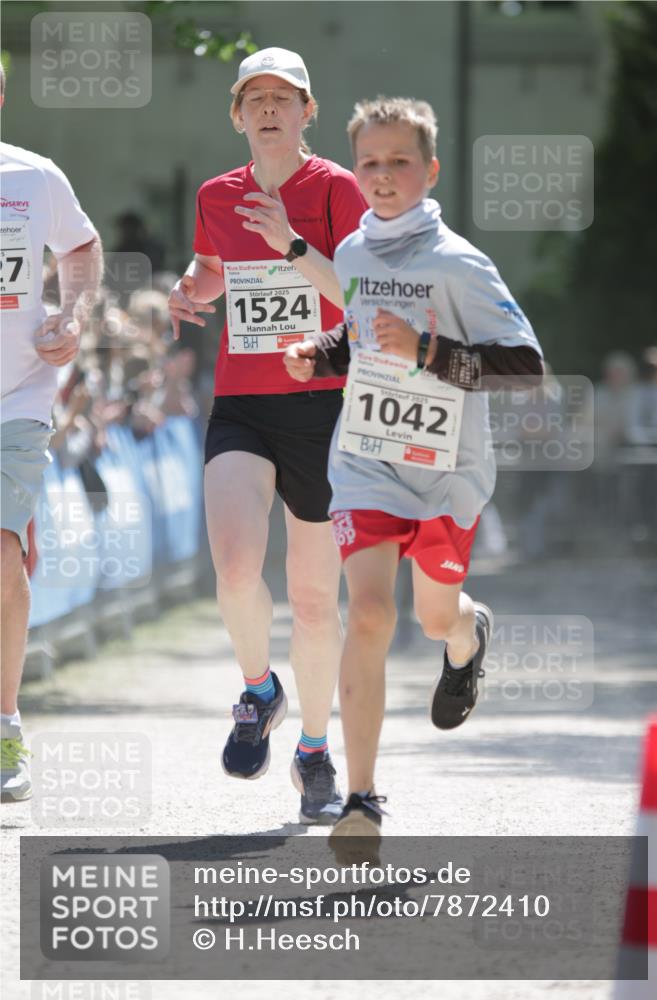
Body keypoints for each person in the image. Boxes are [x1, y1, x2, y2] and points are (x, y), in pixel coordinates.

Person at [284, 97, 543, 855]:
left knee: (433, 617)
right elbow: (365, 335)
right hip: (365, 465)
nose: (384, 175)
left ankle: (467, 634)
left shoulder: (460, 263)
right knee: (367, 613)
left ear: (430, 171)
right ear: (353, 169)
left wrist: (429, 351)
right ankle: (361, 801)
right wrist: (324, 354)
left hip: (446, 474)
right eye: (370, 162)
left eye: (400, 161)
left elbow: (525, 369)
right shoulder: (356, 254)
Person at [167, 48, 366, 824]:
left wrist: (290, 240)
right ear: (238, 114)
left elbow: (358, 289)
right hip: (244, 403)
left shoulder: (338, 190)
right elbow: (216, 265)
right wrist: (192, 286)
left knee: (316, 602)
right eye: (256, 98)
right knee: (235, 564)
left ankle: (315, 751)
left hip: (322, 403)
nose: (271, 109)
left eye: (285, 96)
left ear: (308, 110)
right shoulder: (218, 194)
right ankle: (259, 690)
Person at [0, 61, 103, 801]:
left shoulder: (33, 179)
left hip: (18, 394)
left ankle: (5, 724)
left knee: (3, 553)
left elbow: (82, 248)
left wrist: (72, 315)